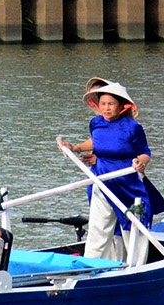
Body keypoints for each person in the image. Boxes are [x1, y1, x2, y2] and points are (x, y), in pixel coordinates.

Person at [58, 79, 157, 262]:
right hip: (101, 180)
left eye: (111, 104)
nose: (106, 108)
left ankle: (134, 268)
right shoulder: (96, 123)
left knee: (131, 228)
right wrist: (75, 147)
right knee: (98, 228)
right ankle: (91, 266)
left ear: (121, 106)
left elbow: (145, 152)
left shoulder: (133, 127)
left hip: (128, 184)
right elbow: (96, 141)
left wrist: (141, 162)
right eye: (103, 104)